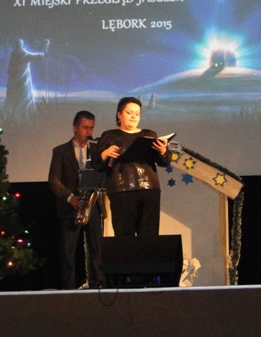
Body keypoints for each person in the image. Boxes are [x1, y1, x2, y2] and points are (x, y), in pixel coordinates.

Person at [92, 96, 171, 237]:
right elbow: (96, 165)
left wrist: (163, 151)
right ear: (119, 114)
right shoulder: (110, 135)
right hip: (121, 189)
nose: (134, 117)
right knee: (124, 237)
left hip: (149, 188)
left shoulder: (149, 134)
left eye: (137, 113)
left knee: (149, 236)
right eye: (129, 113)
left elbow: (164, 162)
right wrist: (105, 153)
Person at [48, 110, 104, 289]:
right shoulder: (60, 151)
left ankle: (97, 285)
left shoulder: (96, 149)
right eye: (85, 127)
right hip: (71, 205)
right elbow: (54, 180)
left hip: (92, 204)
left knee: (96, 248)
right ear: (74, 127)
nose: (89, 131)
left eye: (91, 128)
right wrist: (69, 197)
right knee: (68, 251)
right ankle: (69, 290)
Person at [3, 38, 49, 124]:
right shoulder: (24, 55)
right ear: (21, 45)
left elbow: (10, 69)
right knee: (24, 96)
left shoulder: (14, 55)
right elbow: (43, 55)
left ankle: (15, 117)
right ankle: (23, 117)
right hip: (22, 81)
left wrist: (45, 47)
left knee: (17, 97)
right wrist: (46, 46)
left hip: (14, 81)